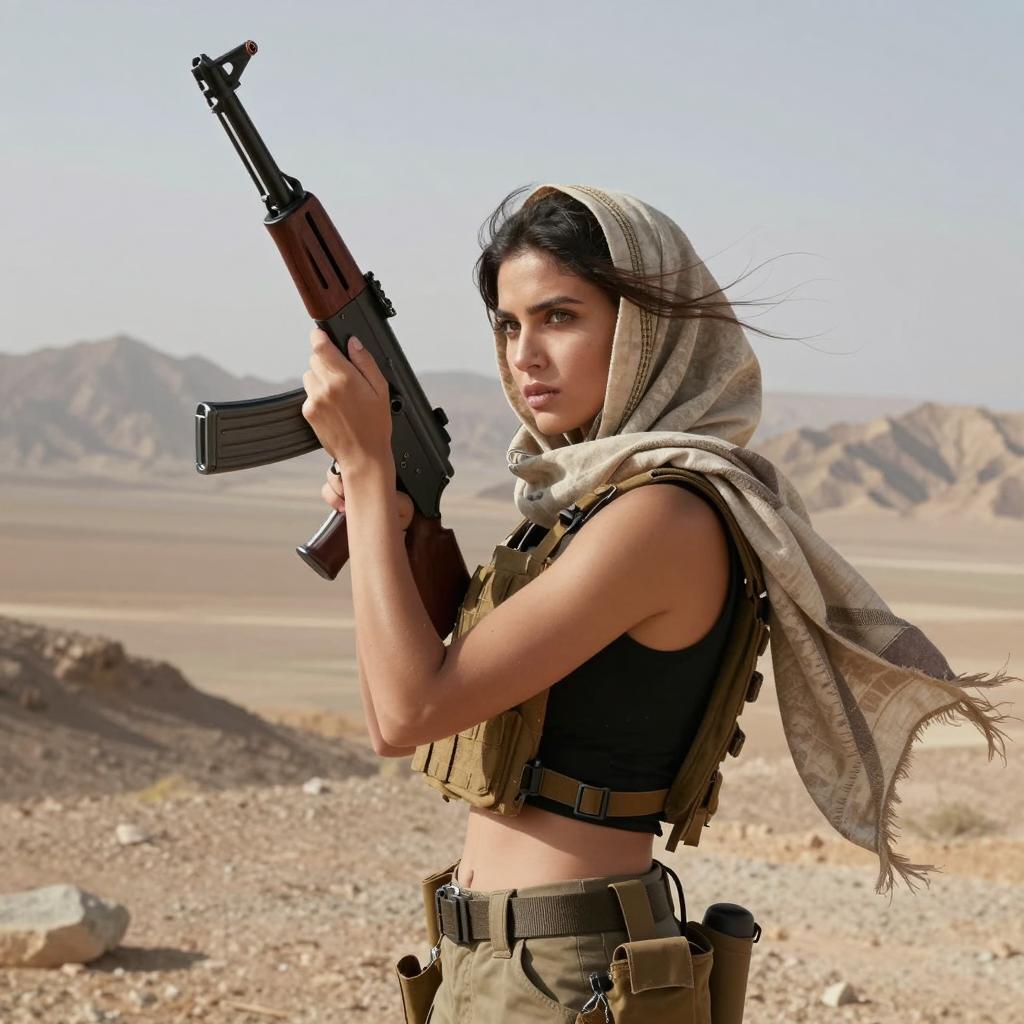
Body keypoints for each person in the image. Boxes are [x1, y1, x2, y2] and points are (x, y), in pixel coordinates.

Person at [302, 184, 1018, 1023]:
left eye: (560, 317)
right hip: (494, 959)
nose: (525, 355)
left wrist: (368, 470)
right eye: (509, 325)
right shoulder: (588, 507)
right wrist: (388, 523)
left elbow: (407, 712)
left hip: (560, 974)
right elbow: (425, 696)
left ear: (644, 329)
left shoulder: (663, 517)